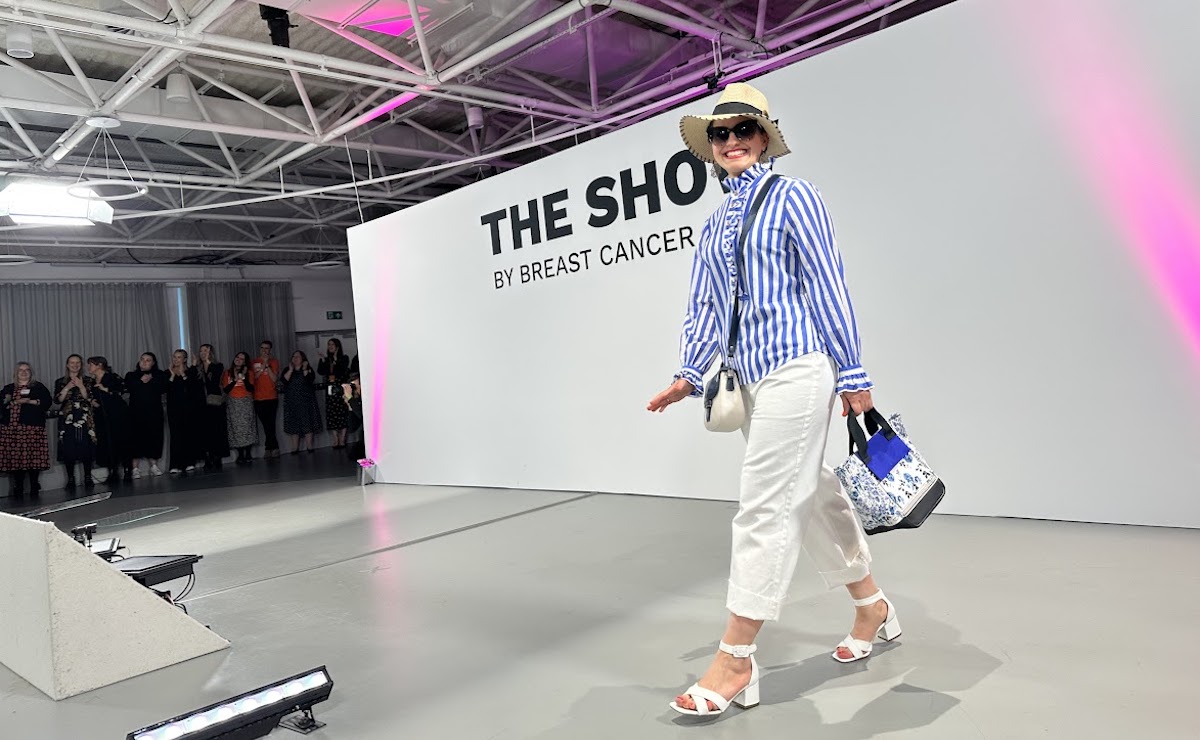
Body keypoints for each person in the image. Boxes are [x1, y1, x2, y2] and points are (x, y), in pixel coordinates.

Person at [646, 83, 894, 716]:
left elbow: (827, 284)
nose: (732, 142)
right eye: (720, 134)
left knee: (763, 506)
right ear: (710, 147)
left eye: (744, 131)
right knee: (809, 498)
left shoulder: (793, 197)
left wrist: (853, 373)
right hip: (746, 378)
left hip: (799, 367)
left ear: (764, 139)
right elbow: (705, 306)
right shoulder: (715, 221)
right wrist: (689, 371)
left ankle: (735, 659)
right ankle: (873, 607)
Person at [1, 362, 53, 498]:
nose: (24, 373)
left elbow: (47, 402)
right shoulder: (8, 388)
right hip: (12, 429)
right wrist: (15, 402)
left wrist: (30, 402)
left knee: (33, 458)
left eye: (27, 370)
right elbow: (2, 405)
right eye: (21, 370)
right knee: (16, 459)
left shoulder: (38, 387)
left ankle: (34, 485)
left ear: (31, 373)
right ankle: (18, 486)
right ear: (16, 373)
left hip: (32, 428)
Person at [53, 354, 97, 491]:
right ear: (67, 365)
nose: (75, 365)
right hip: (67, 418)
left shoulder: (89, 380)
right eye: (72, 363)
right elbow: (57, 400)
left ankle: (88, 477)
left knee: (86, 446)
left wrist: (81, 386)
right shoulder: (60, 381)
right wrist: (67, 387)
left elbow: (90, 398)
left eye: (78, 362)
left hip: (84, 416)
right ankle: (70, 479)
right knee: (68, 447)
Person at [88, 356, 131, 484]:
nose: (89, 368)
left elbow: (123, 390)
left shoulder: (112, 377)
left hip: (117, 414)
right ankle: (113, 472)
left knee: (121, 441)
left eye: (91, 365)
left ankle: (127, 470)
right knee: (106, 443)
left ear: (99, 365)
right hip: (101, 415)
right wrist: (93, 402)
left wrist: (106, 389)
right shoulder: (91, 381)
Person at [125, 352, 167, 477]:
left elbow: (163, 388)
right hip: (135, 413)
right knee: (135, 439)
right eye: (142, 359)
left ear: (153, 363)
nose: (144, 362)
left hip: (154, 412)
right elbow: (128, 387)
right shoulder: (131, 375)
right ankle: (135, 468)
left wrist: (151, 380)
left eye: (148, 360)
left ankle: (153, 466)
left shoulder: (159, 375)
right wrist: (141, 381)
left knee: (154, 437)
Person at [165, 349, 204, 474]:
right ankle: (175, 464)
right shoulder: (167, 373)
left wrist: (183, 375)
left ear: (184, 359)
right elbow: (166, 389)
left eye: (179, 357)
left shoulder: (190, 371)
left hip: (188, 407)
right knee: (175, 436)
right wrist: (172, 375)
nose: (176, 360)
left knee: (188, 434)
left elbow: (193, 389)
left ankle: (189, 462)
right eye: (174, 357)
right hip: (173, 408)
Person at [196, 344, 230, 470]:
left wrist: (208, 363)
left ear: (210, 352)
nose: (202, 353)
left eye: (205, 350)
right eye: (201, 350)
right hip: (201, 404)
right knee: (205, 431)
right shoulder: (197, 367)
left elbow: (215, 381)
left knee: (217, 430)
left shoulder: (217, 366)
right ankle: (207, 457)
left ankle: (217, 456)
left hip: (214, 403)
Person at [281, 350, 320, 453]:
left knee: (307, 423)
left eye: (297, 356)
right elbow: (284, 381)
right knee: (294, 424)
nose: (295, 358)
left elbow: (309, 380)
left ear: (303, 358)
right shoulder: (287, 369)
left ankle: (309, 446)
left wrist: (305, 368)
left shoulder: (307, 369)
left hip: (306, 401)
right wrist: (290, 370)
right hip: (292, 401)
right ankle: (294, 448)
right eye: (293, 356)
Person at [222, 352, 258, 464]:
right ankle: (240, 454)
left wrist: (244, 376)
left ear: (245, 362)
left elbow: (250, 388)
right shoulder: (227, 373)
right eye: (237, 357)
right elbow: (226, 389)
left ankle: (248, 453)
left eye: (241, 359)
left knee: (247, 427)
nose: (238, 360)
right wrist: (235, 379)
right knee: (235, 428)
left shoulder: (249, 373)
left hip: (245, 401)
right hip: (233, 402)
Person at [317, 338, 351, 449]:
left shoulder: (344, 358)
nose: (330, 346)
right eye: (328, 344)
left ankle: (342, 438)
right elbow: (321, 371)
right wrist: (322, 360)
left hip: (341, 387)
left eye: (332, 344)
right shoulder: (327, 359)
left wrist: (336, 360)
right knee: (332, 412)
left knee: (342, 411)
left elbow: (342, 370)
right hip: (330, 388)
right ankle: (335, 438)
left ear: (337, 346)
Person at [251, 340, 281, 458]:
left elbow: (274, 379)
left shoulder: (274, 362)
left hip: (271, 397)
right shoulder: (254, 362)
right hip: (258, 398)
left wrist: (267, 365)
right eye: (263, 348)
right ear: (260, 349)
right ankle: (273, 446)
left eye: (267, 348)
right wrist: (262, 365)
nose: (265, 350)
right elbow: (255, 378)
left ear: (270, 350)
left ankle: (270, 448)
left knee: (271, 423)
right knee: (265, 424)